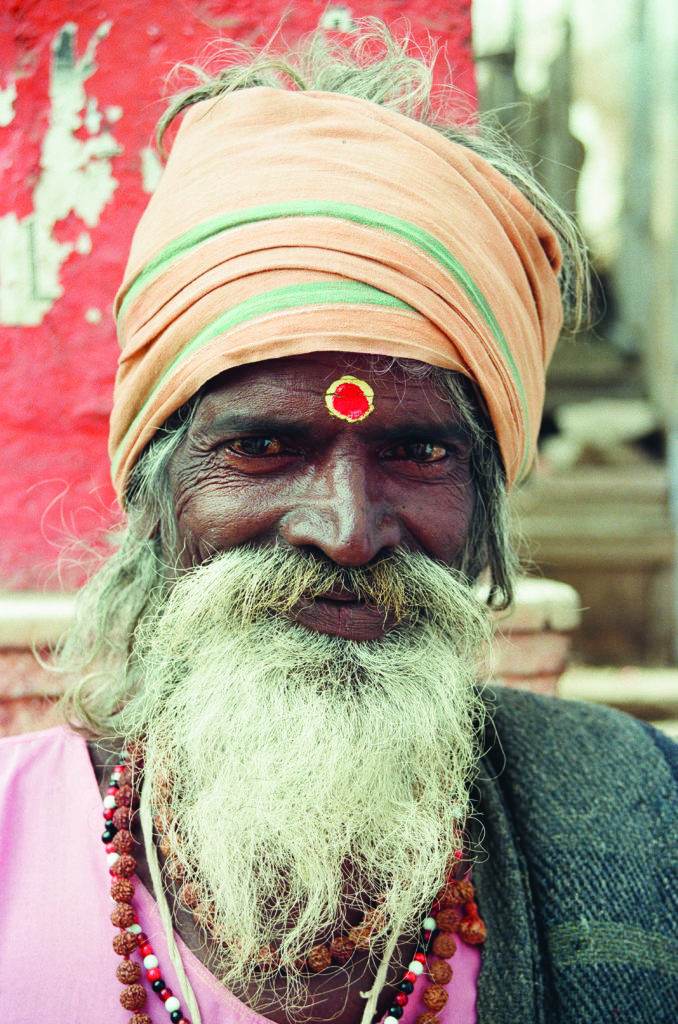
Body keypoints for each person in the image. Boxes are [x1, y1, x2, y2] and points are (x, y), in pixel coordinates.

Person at [0, 19, 675, 1024]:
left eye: (419, 451)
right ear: (153, 497)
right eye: (264, 448)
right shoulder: (15, 840)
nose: (349, 530)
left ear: (484, 513)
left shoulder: (645, 821)